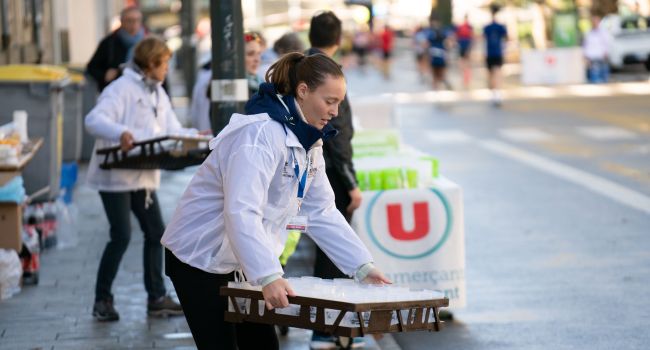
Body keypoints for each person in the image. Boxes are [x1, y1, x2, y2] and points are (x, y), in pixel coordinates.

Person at [161, 52, 390, 350]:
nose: (335, 111)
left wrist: (362, 267)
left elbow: (321, 211)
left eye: (339, 103)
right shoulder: (258, 135)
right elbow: (241, 211)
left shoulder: (309, 139)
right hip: (199, 256)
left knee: (262, 346)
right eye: (329, 101)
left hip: (240, 260)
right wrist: (268, 275)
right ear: (303, 91)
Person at [85, 37, 196, 322]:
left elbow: (172, 128)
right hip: (115, 176)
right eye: (165, 63)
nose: (168, 69)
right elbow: (94, 120)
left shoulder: (157, 92)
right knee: (121, 236)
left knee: (155, 233)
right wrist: (121, 132)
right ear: (151, 64)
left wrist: (198, 137)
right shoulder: (120, 89)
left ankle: (157, 298)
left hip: (142, 176)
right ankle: (102, 299)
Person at [302, 11, 365, 350]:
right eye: (331, 103)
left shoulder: (305, 65)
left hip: (318, 168)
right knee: (330, 253)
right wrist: (351, 181)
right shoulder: (326, 72)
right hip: (329, 171)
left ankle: (327, 329)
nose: (333, 110)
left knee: (326, 249)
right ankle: (325, 330)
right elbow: (338, 137)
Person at [189, 31, 263, 133]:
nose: (257, 59)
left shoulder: (260, 83)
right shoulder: (223, 83)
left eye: (259, 53)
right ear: (236, 57)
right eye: (250, 54)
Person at [86, 6, 144, 92]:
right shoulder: (109, 42)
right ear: (122, 22)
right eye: (130, 20)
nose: (134, 24)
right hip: (116, 92)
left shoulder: (148, 42)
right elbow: (92, 67)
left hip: (142, 90)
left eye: (137, 20)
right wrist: (104, 75)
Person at [483, 4, 508, 106]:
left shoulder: (488, 27)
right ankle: (496, 93)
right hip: (495, 53)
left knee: (494, 74)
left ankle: (495, 93)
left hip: (493, 53)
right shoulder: (498, 27)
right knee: (495, 73)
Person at [583, 15, 611, 84]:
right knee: (594, 79)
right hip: (592, 57)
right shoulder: (588, 33)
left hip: (601, 56)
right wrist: (585, 57)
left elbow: (607, 43)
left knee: (604, 78)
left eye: (596, 22)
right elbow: (585, 45)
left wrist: (606, 52)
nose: (594, 23)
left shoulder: (604, 32)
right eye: (593, 22)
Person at [427, 17, 452, 91]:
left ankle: (436, 88)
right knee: (440, 72)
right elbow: (448, 43)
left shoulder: (430, 33)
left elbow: (426, 44)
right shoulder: (443, 32)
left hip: (434, 55)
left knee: (435, 73)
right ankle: (440, 86)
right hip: (441, 55)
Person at [455, 15, 474, 89]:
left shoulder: (467, 26)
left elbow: (471, 37)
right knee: (464, 63)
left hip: (465, 46)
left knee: (464, 63)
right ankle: (465, 78)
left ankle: (466, 78)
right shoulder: (466, 27)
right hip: (464, 47)